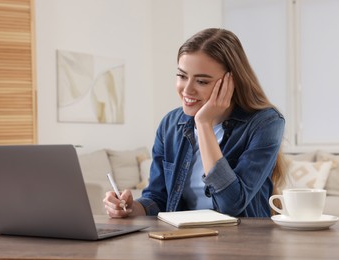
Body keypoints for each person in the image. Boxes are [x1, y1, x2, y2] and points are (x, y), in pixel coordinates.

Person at [103, 28, 286, 218]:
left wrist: (203, 124)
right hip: (182, 239)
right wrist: (131, 208)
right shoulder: (170, 125)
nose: (187, 90)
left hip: (241, 241)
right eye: (182, 76)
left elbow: (232, 205)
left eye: (202, 81)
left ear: (231, 82)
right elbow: (158, 197)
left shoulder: (265, 123)